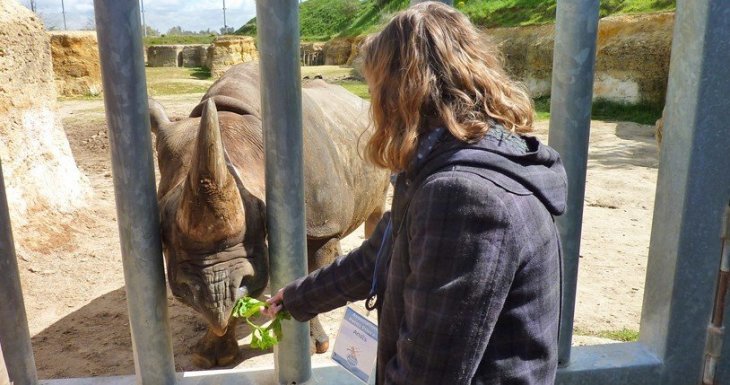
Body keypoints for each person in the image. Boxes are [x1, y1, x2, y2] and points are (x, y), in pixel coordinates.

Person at [263, 2, 567, 384]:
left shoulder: (462, 196)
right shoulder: (456, 159)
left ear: (398, 94)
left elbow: (428, 374)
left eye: (374, 89)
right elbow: (381, 255)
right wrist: (296, 299)